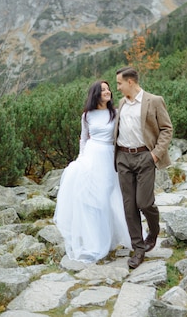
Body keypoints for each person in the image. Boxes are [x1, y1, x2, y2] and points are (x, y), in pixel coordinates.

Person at [54, 80, 132, 263]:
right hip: (90, 157)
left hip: (108, 157)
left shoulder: (116, 113)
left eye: (108, 89)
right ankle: (94, 241)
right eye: (103, 90)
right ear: (96, 94)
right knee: (91, 200)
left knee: (107, 198)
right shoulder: (87, 115)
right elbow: (83, 139)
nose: (108, 92)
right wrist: (80, 158)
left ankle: (113, 238)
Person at [114, 66, 173, 269]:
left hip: (145, 157)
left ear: (130, 82)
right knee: (129, 206)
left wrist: (155, 154)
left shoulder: (154, 101)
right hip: (123, 157)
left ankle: (154, 231)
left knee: (145, 202)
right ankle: (138, 249)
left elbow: (167, 128)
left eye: (119, 83)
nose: (118, 88)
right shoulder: (121, 103)